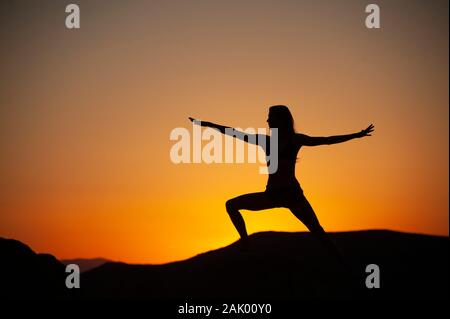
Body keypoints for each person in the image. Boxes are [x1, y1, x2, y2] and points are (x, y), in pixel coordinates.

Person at [189, 105, 374, 262]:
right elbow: (235, 133)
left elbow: (326, 141)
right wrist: (208, 124)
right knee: (231, 205)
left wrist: (356, 135)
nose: (267, 121)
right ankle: (245, 242)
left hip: (293, 195)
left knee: (318, 232)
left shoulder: (295, 140)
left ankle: (344, 267)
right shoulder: (265, 141)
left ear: (281, 120)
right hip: (272, 195)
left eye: (270, 118)